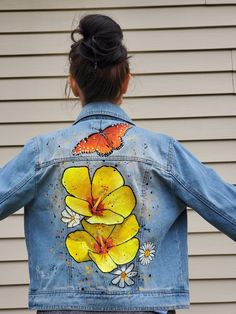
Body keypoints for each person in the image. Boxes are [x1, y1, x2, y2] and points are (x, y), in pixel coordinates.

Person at [0, 13, 235, 314]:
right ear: (126, 81)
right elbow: (228, 207)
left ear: (73, 84)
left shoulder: (42, 153)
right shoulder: (163, 152)